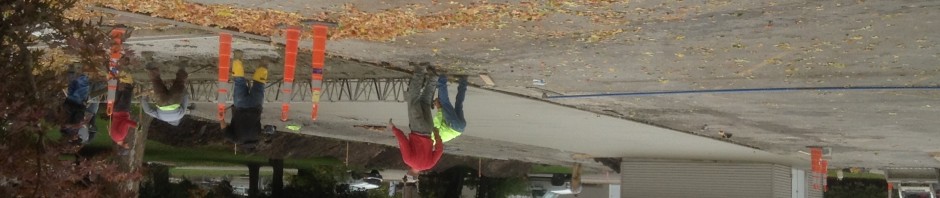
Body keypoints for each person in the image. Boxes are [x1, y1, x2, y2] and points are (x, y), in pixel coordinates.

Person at [390, 62, 443, 175]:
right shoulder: (409, 161)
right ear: (409, 171)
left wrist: (437, 134)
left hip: (429, 130)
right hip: (417, 129)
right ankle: (420, 70)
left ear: (417, 174)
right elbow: (403, 142)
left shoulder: (429, 164)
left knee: (425, 101)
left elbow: (439, 150)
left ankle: (433, 77)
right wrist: (394, 129)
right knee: (413, 99)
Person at [221, 53, 268, 152]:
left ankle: (264, 62)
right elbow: (224, 128)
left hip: (256, 106)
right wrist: (221, 117)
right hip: (240, 106)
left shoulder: (258, 136)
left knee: (259, 84)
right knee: (239, 81)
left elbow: (260, 125)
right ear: (243, 146)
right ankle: (237, 59)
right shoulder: (236, 139)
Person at [141, 53, 189, 126]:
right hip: (161, 102)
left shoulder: (180, 116)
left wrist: (182, 88)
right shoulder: (161, 118)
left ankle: (183, 62)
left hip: (174, 101)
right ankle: (148, 58)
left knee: (180, 81)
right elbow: (147, 111)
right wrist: (144, 97)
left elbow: (185, 100)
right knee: (155, 80)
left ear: (178, 120)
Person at [61, 73, 98, 145]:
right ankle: (74, 70)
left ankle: (83, 70)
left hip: (76, 103)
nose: (78, 136)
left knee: (82, 82)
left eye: (77, 138)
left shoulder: (70, 130)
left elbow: (77, 119)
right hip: (70, 103)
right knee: (74, 82)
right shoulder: (67, 129)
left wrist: (77, 125)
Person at [432, 75, 468, 143]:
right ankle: (442, 79)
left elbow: (443, 120)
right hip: (453, 126)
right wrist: (439, 107)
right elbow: (437, 123)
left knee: (459, 103)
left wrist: (440, 108)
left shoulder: (437, 142)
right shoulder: (431, 138)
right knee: (445, 102)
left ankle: (464, 81)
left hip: (461, 128)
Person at [109, 74, 136, 150]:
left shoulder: (121, 136)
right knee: (118, 91)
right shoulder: (113, 137)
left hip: (122, 111)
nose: (129, 145)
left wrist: (136, 126)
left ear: (123, 146)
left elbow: (125, 122)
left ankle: (127, 73)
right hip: (116, 111)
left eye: (128, 146)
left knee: (128, 91)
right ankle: (115, 75)